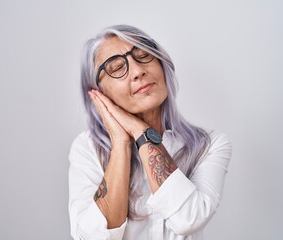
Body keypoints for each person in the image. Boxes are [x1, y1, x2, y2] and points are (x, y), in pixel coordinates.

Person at [68, 24, 232, 240]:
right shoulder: (86, 149)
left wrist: (141, 131)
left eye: (144, 55)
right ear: (99, 93)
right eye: (117, 68)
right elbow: (92, 237)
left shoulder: (209, 144)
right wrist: (120, 143)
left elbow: (188, 219)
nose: (137, 71)